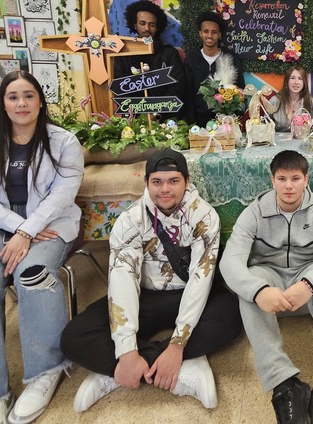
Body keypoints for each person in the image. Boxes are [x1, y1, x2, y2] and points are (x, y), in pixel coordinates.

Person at [0, 71, 84, 424]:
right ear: (3, 103)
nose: (21, 103)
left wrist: (28, 230)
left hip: (47, 225)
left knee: (33, 275)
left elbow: (62, 194)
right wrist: (17, 227)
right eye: (13, 97)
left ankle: (44, 370)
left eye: (28, 96)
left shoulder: (63, 141)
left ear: (40, 101)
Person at [60, 148, 242, 413]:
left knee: (232, 316)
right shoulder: (130, 220)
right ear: (146, 183)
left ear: (187, 181)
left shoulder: (204, 216)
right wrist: (126, 351)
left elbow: (200, 278)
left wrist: (177, 344)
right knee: (73, 337)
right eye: (157, 182)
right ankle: (164, 366)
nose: (164, 189)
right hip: (145, 295)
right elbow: (122, 279)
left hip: (188, 291)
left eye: (173, 181)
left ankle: (122, 369)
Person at [220, 150, 313, 424]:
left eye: (295, 178)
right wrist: (258, 291)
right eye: (282, 179)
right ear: (272, 180)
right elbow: (230, 260)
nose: (289, 186)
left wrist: (311, 284)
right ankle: (284, 384)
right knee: (248, 288)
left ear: (306, 179)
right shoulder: (255, 211)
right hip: (271, 287)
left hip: (307, 284)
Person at [112, 0, 186, 120]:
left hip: (165, 120)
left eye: (152, 24)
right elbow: (118, 87)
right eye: (142, 23)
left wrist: (156, 113)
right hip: (133, 120)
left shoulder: (169, 53)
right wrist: (137, 115)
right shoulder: (124, 55)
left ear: (157, 27)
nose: (147, 28)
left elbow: (176, 87)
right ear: (135, 25)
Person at [183, 11, 246, 127]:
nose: (209, 35)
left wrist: (233, 120)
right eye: (206, 31)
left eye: (214, 32)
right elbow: (187, 94)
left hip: (225, 122)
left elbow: (240, 90)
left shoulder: (230, 58)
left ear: (220, 35)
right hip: (198, 121)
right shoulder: (191, 60)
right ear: (200, 33)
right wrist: (191, 124)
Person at [267, 65, 313, 132]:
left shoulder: (310, 102)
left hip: (301, 138)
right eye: (292, 78)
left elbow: (310, 127)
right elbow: (265, 124)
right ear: (286, 81)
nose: (296, 82)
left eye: (300, 78)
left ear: (304, 83)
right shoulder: (275, 101)